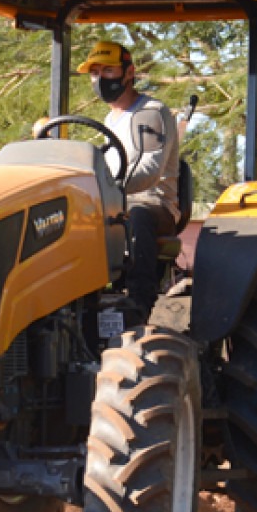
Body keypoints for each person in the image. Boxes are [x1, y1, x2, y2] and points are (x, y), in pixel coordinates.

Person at [78, 39, 180, 319]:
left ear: (129, 72)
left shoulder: (150, 112)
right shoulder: (111, 119)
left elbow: (149, 171)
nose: (100, 79)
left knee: (135, 215)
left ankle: (138, 301)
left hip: (152, 203)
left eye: (108, 71)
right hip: (113, 202)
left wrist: (106, 190)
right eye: (95, 73)